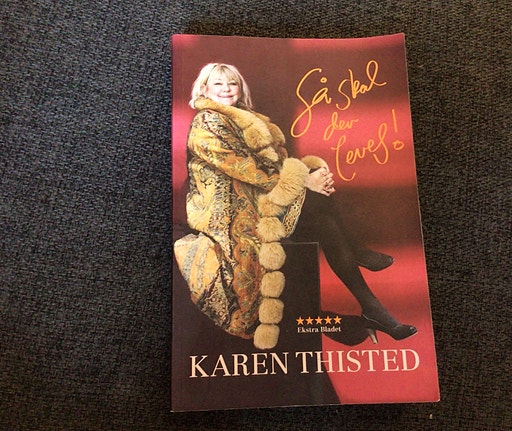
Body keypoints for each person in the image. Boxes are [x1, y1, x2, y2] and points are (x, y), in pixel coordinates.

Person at [174, 63, 416, 349]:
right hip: (228, 210)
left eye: (232, 83)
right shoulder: (207, 122)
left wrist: (311, 177)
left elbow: (273, 166)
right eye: (218, 84)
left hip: (256, 199)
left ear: (240, 88)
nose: (226, 89)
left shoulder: (247, 119)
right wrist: (304, 182)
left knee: (323, 218)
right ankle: (359, 266)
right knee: (316, 201)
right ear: (204, 89)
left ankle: (372, 307)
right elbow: (245, 169)